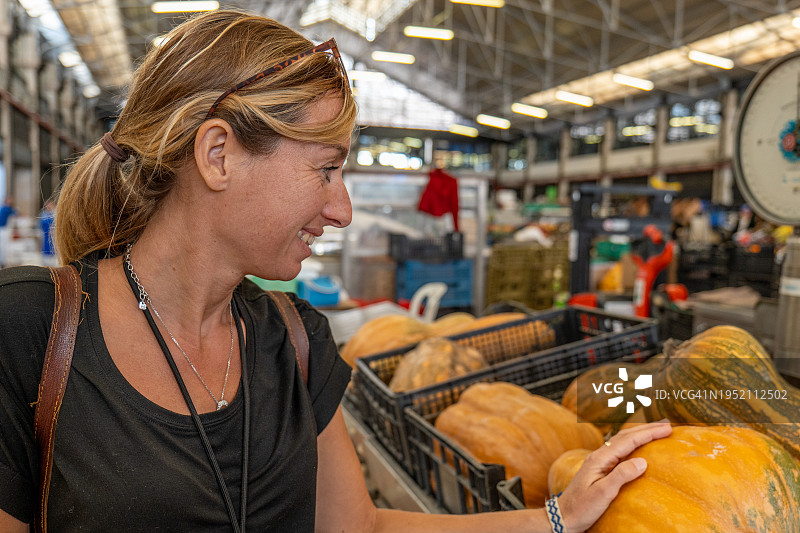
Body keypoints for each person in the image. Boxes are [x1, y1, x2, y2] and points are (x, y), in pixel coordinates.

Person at [0, 10, 672, 532]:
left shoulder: (295, 342)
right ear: (218, 154)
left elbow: (359, 526)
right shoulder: (29, 332)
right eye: (327, 168)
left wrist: (554, 518)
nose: (342, 208)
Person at [0, 195, 17, 267]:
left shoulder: (5, 208)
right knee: (3, 246)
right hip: (2, 229)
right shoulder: (6, 208)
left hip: (3, 229)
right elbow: (17, 213)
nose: (11, 201)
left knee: (4, 246)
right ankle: (2, 262)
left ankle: (3, 261)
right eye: (10, 200)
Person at [39, 200, 57, 266]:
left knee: (53, 249)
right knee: (46, 249)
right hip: (45, 236)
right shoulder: (44, 214)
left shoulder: (55, 213)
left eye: (50, 205)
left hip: (54, 236)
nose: (48, 207)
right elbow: (41, 223)